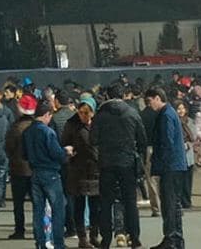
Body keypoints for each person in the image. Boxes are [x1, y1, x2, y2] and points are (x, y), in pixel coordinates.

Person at [91, 84, 146, 249]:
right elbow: (142, 140)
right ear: (124, 96)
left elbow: (93, 139)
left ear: (107, 96)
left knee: (106, 202)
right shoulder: (132, 113)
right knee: (130, 201)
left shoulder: (100, 116)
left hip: (107, 163)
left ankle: (106, 238)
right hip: (127, 162)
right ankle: (134, 237)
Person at [25, 100, 73, 249]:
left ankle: (40, 242)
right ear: (47, 114)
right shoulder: (48, 132)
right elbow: (56, 153)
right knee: (58, 207)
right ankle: (58, 243)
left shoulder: (27, 131)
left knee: (38, 210)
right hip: (50, 173)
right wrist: (66, 151)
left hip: (35, 172)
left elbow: (24, 154)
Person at [146, 87, 188, 249]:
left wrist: (160, 163)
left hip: (169, 166)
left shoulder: (165, 115)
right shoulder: (170, 113)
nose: (149, 105)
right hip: (176, 165)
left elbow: (166, 142)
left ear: (157, 98)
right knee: (174, 204)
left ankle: (170, 238)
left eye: (150, 101)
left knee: (169, 204)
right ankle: (176, 238)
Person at [62, 97, 101, 248]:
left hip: (96, 170)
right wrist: (69, 150)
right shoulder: (71, 124)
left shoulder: (98, 123)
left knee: (95, 205)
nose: (84, 116)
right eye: (81, 112)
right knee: (79, 205)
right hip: (78, 169)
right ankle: (82, 237)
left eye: (87, 113)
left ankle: (94, 234)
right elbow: (64, 142)